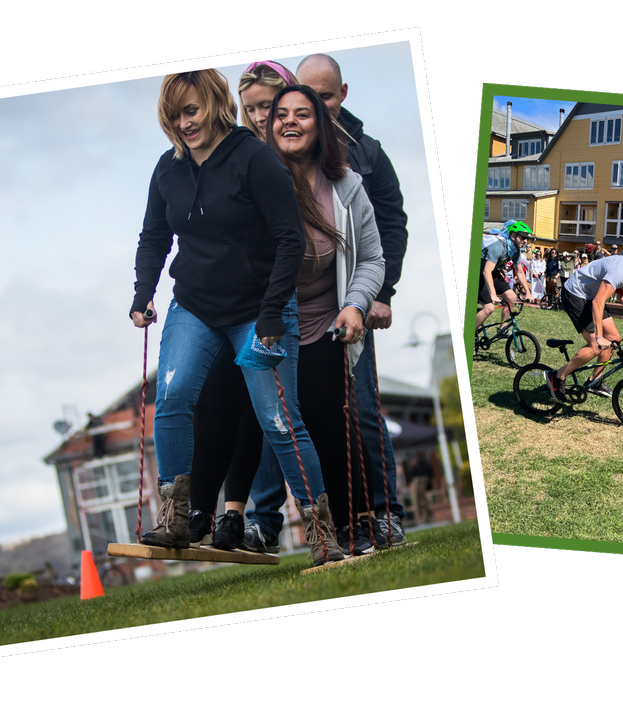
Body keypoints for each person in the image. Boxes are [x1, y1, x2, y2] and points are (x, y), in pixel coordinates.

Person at [128, 70, 346, 564]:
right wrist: (143, 294)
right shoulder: (167, 169)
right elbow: (154, 237)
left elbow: (289, 238)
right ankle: (175, 517)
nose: (184, 123)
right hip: (195, 305)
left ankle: (320, 532)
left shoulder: (254, 158)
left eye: (191, 111)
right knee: (172, 398)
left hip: (260, 307)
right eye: (174, 115)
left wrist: (272, 313)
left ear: (213, 103)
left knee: (278, 420)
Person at [252, 84, 389, 552]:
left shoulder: (346, 186)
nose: (289, 121)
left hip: (327, 318)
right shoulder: (254, 180)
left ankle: (358, 522)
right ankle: (264, 522)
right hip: (272, 323)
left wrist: (356, 303)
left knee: (329, 416)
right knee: (279, 424)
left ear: (320, 125)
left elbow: (371, 258)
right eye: (281, 114)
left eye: (302, 114)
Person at [305, 54, 416, 547]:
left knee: (365, 410)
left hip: (355, 302)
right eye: (308, 96)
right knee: (318, 416)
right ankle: (341, 523)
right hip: (305, 309)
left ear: (343, 94)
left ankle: (387, 513)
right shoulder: (283, 151)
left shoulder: (367, 153)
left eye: (326, 96)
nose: (317, 106)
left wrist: (380, 294)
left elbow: (391, 226)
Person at [548, 240, 623, 395]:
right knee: (596, 345)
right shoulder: (621, 267)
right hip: (575, 293)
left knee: (613, 339)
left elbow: (622, 294)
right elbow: (598, 302)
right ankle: (557, 376)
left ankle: (594, 381)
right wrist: (599, 336)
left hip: (592, 296)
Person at [475, 222, 528, 330]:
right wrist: (493, 294)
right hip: (478, 274)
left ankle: (503, 328)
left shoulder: (515, 250)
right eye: (523, 237)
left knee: (512, 298)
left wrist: (528, 292)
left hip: (493, 273)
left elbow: (520, 272)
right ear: (513, 235)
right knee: (489, 308)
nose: (526, 241)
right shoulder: (498, 245)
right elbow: (486, 271)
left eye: (527, 238)